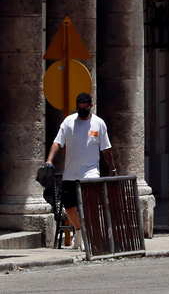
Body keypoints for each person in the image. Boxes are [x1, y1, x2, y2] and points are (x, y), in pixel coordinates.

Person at [44, 93, 115, 250]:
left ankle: (87, 237)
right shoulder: (68, 122)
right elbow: (57, 143)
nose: (82, 110)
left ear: (91, 106)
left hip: (91, 172)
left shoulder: (99, 123)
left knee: (88, 206)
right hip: (70, 173)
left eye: (85, 108)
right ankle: (79, 230)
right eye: (79, 108)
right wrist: (49, 161)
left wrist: (112, 168)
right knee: (69, 208)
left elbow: (106, 149)